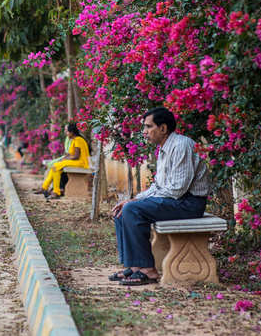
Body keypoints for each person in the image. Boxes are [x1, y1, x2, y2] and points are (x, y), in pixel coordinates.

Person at [109, 107, 212, 286]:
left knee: (132, 209)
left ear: (163, 128)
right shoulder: (164, 148)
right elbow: (159, 185)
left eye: (148, 127)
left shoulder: (181, 145)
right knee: (123, 208)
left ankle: (148, 270)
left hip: (189, 203)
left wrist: (136, 203)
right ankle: (134, 267)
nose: (144, 132)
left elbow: (177, 189)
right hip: (175, 200)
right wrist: (135, 199)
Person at [36, 122, 90, 199]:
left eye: (66, 131)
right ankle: (47, 188)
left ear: (72, 132)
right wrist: (64, 158)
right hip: (77, 161)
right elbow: (71, 154)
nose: (65, 132)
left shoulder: (78, 140)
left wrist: (65, 159)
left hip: (82, 163)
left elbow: (76, 156)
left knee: (56, 165)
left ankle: (54, 191)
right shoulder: (74, 140)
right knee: (55, 167)